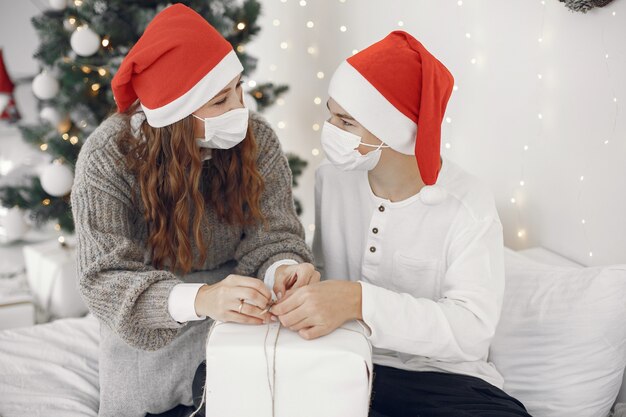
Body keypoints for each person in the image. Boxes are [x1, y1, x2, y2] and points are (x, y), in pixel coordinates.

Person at [70, 5, 317, 416]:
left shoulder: (258, 140)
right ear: (175, 116)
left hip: (241, 301)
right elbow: (103, 279)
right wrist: (200, 299)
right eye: (221, 100)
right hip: (149, 313)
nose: (240, 109)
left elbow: (275, 237)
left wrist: (282, 270)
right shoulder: (106, 158)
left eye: (239, 89)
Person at [270, 31, 532, 417]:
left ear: (395, 132)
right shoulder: (334, 178)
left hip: (446, 382)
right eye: (331, 114)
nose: (330, 130)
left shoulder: (467, 205)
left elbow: (471, 332)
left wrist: (360, 301)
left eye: (346, 121)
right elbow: (328, 271)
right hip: (347, 365)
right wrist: (306, 278)